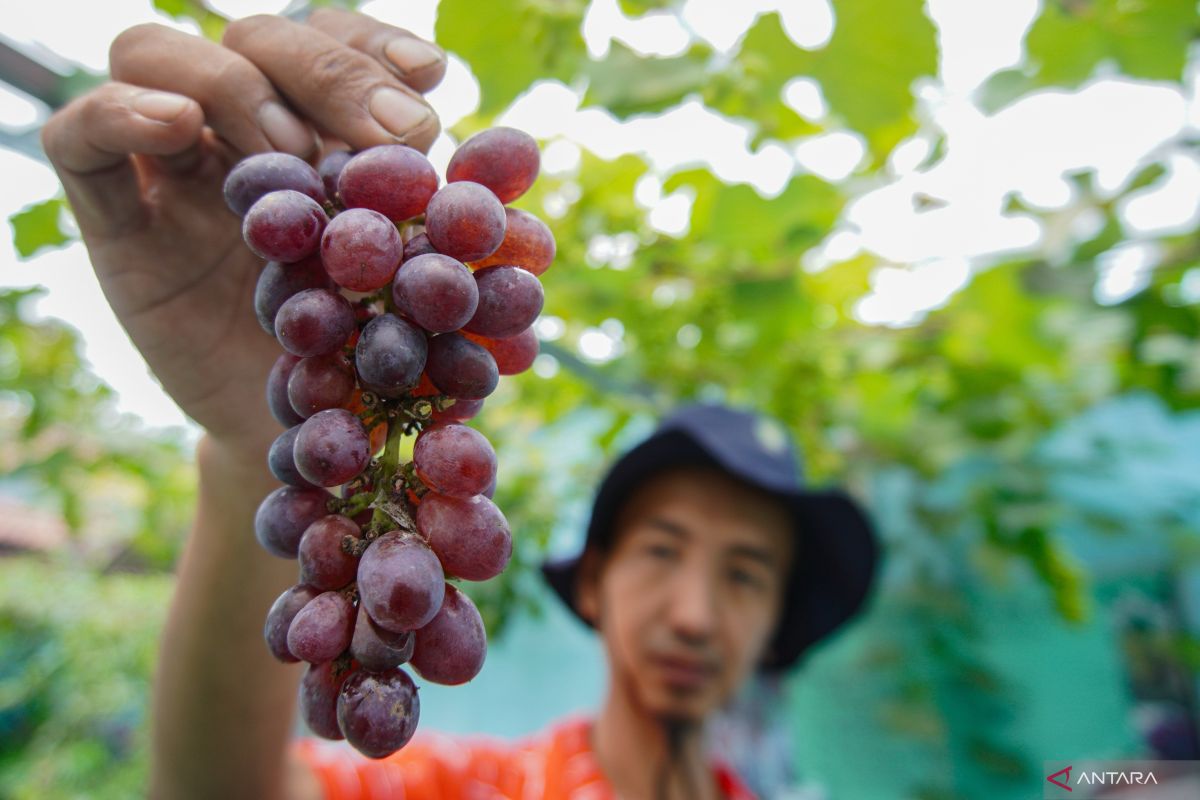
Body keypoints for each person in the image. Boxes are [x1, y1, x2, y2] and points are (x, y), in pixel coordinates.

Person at [39, 9, 879, 799]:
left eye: (744, 574)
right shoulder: (479, 786)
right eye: (662, 551)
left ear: (776, 621)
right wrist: (256, 439)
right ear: (593, 581)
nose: (695, 614)